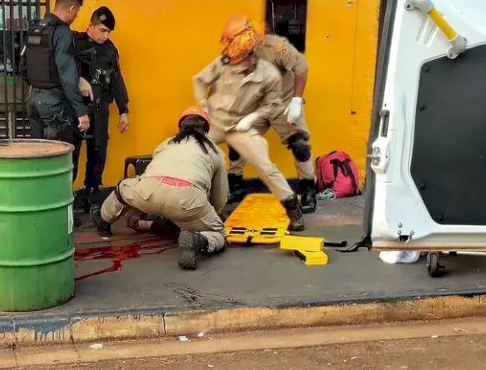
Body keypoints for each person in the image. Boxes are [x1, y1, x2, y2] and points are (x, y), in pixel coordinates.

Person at [193, 14, 305, 232]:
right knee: (194, 150)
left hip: (241, 124)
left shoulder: (269, 74)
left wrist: (252, 119)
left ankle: (292, 208)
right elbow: (202, 80)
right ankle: (197, 205)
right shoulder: (225, 60)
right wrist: (203, 106)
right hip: (218, 120)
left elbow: (272, 105)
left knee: (264, 165)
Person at [91, 107, 228, 270]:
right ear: (206, 129)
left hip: (148, 192)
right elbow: (219, 196)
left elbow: (153, 169)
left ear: (181, 127)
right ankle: (198, 241)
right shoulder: (215, 151)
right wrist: (211, 213)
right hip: (187, 201)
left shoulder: (167, 143)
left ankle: (104, 221)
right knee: (220, 234)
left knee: (122, 189)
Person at [227, 30, 318, 213]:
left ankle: (308, 189)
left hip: (283, 102)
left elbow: (301, 67)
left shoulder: (274, 46)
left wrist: (297, 99)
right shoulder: (231, 54)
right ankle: (234, 184)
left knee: (299, 144)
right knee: (237, 141)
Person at [72, 6, 130, 209]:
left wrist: (124, 110)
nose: (105, 35)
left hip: (100, 110)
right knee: (71, 154)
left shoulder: (110, 49)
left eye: (108, 32)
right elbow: (62, 72)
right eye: (102, 30)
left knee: (98, 154)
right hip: (76, 110)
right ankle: (65, 199)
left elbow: (116, 79)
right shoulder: (75, 44)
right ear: (91, 26)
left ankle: (92, 195)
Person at [20, 0, 90, 145]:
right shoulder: (62, 32)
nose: (76, 16)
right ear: (72, 8)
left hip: (32, 100)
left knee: (37, 154)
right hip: (54, 104)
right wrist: (81, 111)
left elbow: (22, 68)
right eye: (77, 12)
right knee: (58, 156)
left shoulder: (35, 28)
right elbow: (67, 74)